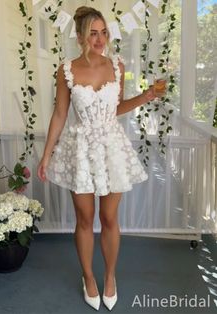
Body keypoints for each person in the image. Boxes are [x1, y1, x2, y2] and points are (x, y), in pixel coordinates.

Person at [37, 6, 165, 311]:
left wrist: (146, 96)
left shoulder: (117, 66)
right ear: (81, 36)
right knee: (84, 219)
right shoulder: (66, 69)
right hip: (79, 148)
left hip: (111, 147)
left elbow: (116, 108)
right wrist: (46, 155)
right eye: (93, 33)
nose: (100, 38)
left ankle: (109, 277)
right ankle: (88, 277)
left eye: (103, 31)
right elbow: (59, 114)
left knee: (109, 218)